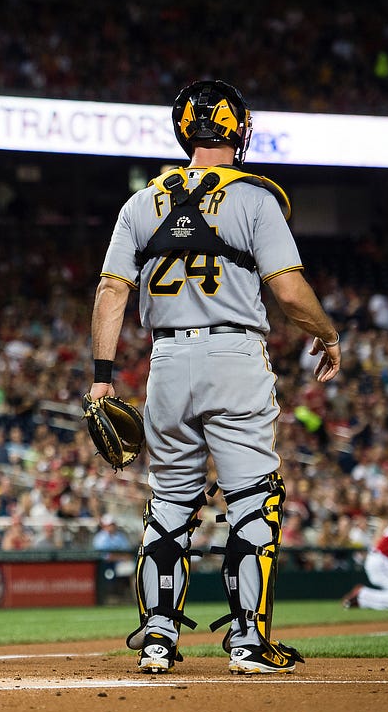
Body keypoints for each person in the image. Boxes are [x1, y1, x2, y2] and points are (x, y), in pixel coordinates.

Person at [88, 78, 342, 675]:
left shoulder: (138, 203)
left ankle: (156, 639)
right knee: (253, 497)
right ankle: (249, 644)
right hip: (232, 356)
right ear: (238, 130)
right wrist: (326, 333)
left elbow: (110, 291)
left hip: (166, 363)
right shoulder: (255, 199)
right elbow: (287, 288)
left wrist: (102, 376)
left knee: (170, 500)